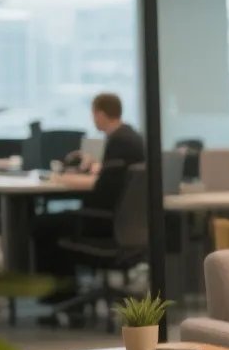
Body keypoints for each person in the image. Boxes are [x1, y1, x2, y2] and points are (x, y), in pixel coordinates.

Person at [37, 92, 147, 306]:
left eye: (93, 114)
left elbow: (103, 189)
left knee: (42, 224)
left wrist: (62, 178)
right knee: (54, 221)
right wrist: (99, 168)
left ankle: (61, 295)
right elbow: (117, 179)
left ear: (100, 114)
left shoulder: (119, 141)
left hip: (105, 224)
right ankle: (66, 293)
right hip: (129, 225)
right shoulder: (132, 137)